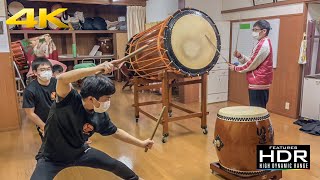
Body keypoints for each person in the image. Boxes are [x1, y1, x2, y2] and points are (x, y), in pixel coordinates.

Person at [30, 61, 153, 180]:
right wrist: (96, 69)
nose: (109, 101)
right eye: (107, 98)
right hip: (51, 158)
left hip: (80, 152)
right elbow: (62, 79)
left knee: (113, 164)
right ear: (91, 99)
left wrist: (141, 143)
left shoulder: (100, 115)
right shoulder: (68, 100)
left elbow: (116, 132)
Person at [229, 20, 273, 109]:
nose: (253, 32)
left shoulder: (263, 45)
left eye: (256, 30)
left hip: (258, 83)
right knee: (258, 112)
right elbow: (252, 61)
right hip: (258, 82)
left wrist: (235, 68)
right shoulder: (262, 42)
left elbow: (250, 65)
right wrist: (240, 56)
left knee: (257, 112)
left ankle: (266, 124)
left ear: (264, 31)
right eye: (253, 30)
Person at [23, 57, 56, 140]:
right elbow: (30, 113)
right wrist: (44, 127)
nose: (46, 72)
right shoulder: (30, 90)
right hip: (44, 122)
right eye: (42, 70)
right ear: (35, 72)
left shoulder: (57, 82)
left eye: (48, 69)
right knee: (50, 146)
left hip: (61, 119)